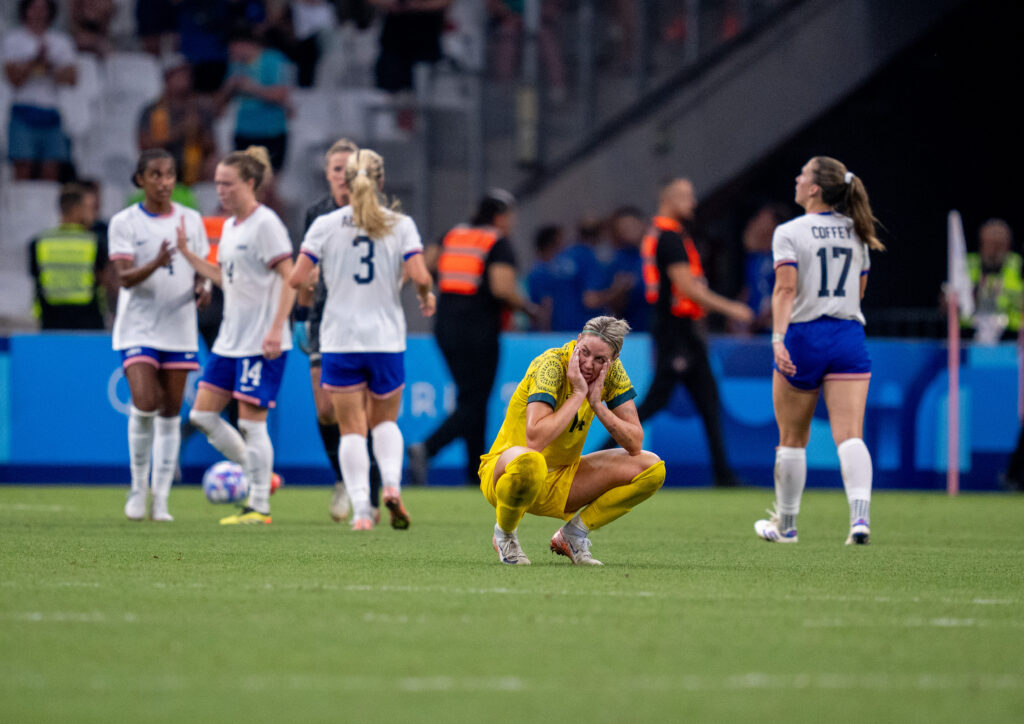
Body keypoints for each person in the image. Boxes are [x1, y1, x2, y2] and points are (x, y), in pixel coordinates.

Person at [290, 148, 436, 530]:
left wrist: (316, 282)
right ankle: (390, 486)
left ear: (346, 181)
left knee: (351, 428)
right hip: (385, 339)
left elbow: (296, 277)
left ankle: (359, 511)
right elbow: (420, 274)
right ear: (381, 181)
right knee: (385, 422)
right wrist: (424, 296)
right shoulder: (399, 224)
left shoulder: (325, 224)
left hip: (339, 339)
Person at [753, 156, 884, 545]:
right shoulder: (857, 230)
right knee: (850, 434)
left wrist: (777, 338)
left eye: (803, 174)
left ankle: (787, 526)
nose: (796, 178)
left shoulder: (790, 231)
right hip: (847, 335)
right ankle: (860, 519)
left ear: (814, 188)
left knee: (792, 438)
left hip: (804, 336)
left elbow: (786, 289)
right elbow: (859, 292)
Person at [480, 315, 664, 566]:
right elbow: (534, 440)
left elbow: (634, 443)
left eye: (600, 359)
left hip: (563, 479)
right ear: (577, 341)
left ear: (613, 360)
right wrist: (579, 394)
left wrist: (598, 405)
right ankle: (505, 533)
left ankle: (573, 535)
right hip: (506, 472)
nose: (589, 364)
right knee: (531, 462)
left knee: (651, 468)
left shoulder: (611, 372)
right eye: (584, 352)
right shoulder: (551, 365)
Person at [176, 147, 296, 525]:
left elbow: (290, 279)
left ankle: (259, 505)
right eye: (217, 184)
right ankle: (260, 473)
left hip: (261, 341)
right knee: (202, 415)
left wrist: (277, 328)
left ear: (249, 183)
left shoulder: (266, 224)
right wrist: (191, 260)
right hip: (230, 339)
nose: (221, 191)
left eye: (228, 184)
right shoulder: (229, 227)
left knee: (250, 422)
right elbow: (226, 279)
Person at [108, 149, 211, 521]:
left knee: (170, 412)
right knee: (144, 400)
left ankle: (161, 498)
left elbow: (202, 268)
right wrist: (155, 262)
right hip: (138, 325)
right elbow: (123, 277)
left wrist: (204, 289)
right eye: (155, 175)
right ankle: (138, 487)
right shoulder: (125, 222)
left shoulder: (192, 220)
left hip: (179, 325)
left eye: (169, 175)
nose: (164, 182)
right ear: (140, 180)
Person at [407, 190, 535, 486]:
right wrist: (527, 307)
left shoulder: (452, 235)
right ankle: (428, 448)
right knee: (476, 401)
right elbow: (502, 287)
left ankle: (474, 474)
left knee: (469, 398)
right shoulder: (497, 243)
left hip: (446, 327)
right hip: (478, 329)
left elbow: (424, 267)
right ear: (501, 216)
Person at [634, 178, 753, 486]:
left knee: (708, 400)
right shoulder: (670, 239)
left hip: (682, 331)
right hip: (675, 332)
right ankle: (587, 461)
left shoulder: (667, 234)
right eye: (686, 197)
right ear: (669, 199)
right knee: (653, 403)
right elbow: (686, 287)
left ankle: (723, 474)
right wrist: (732, 309)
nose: (693, 202)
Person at [295, 138, 382, 523]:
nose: (344, 177)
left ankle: (370, 493)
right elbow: (304, 270)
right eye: (337, 170)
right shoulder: (318, 214)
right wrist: (300, 315)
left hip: (366, 323)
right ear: (329, 175)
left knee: (363, 410)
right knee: (327, 409)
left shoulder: (379, 214)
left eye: (351, 169)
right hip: (323, 319)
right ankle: (342, 478)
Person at [2, 0, 77, 181]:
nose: (38, 13)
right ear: (25, 10)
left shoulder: (61, 41)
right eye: (34, 7)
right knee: (23, 166)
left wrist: (47, 66)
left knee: (51, 168)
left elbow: (72, 78)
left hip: (50, 111)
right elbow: (13, 78)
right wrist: (34, 62)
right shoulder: (13, 39)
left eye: (43, 8)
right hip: (23, 110)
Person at [29, 183, 111, 331]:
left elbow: (36, 277)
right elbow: (104, 280)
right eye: (90, 208)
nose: (94, 214)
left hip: (50, 321)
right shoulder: (95, 242)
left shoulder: (39, 242)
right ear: (76, 210)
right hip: (89, 321)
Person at [137, 54, 218, 188]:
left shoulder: (200, 109)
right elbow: (145, 145)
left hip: (195, 166)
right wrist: (179, 131)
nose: (185, 78)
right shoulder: (152, 110)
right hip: (163, 164)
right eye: (179, 74)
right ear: (167, 78)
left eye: (187, 73)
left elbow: (212, 146)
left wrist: (198, 132)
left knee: (215, 163)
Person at [960, 219, 1021, 344]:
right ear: (981, 243)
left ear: (1008, 244)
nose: (995, 249)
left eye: (999, 244)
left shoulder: (1019, 265)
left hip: (1011, 338)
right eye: (991, 243)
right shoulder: (967, 264)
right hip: (970, 336)